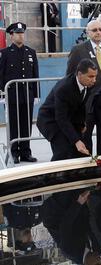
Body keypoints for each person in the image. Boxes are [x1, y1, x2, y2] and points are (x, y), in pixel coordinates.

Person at [66, 20, 101, 151]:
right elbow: (70, 77)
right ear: (87, 33)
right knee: (85, 136)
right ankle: (86, 167)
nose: (98, 32)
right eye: (94, 30)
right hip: (85, 104)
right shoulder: (78, 50)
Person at [37, 59, 98, 161]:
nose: (94, 80)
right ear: (79, 74)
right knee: (63, 151)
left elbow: (81, 105)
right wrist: (76, 140)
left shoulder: (89, 84)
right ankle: (54, 173)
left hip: (69, 118)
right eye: (90, 76)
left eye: (95, 76)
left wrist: (82, 125)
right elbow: (61, 118)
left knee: (83, 150)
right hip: (50, 120)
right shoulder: (64, 88)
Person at [0, 22, 39, 164]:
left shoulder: (31, 52)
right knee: (14, 124)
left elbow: (35, 74)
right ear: (11, 36)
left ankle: (25, 152)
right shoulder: (4, 53)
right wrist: (2, 93)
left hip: (26, 95)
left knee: (26, 124)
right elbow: (1, 74)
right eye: (17, 33)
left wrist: (36, 94)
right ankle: (14, 152)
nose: (21, 36)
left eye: (22, 33)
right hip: (11, 95)